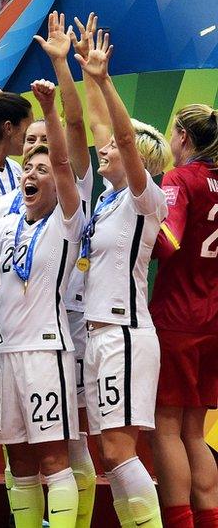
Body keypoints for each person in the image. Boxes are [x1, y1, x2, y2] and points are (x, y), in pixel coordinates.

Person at [74, 30, 170, 528]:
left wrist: (106, 79)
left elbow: (124, 138)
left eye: (114, 145)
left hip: (125, 335)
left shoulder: (143, 197)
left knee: (119, 449)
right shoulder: (110, 199)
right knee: (110, 454)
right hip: (98, 335)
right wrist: (87, 75)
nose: (104, 147)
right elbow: (100, 126)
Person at [0, 79, 84, 528]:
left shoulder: (68, 220)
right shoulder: (5, 223)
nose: (32, 174)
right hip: (5, 351)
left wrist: (49, 108)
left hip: (47, 350)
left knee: (52, 459)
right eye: (28, 168)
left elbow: (64, 162)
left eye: (42, 171)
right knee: (19, 462)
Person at [150, 102, 218, 528]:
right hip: (214, 320)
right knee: (195, 432)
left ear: (184, 137)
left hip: (177, 319)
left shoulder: (179, 179)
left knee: (167, 427)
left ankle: (179, 523)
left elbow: (167, 242)